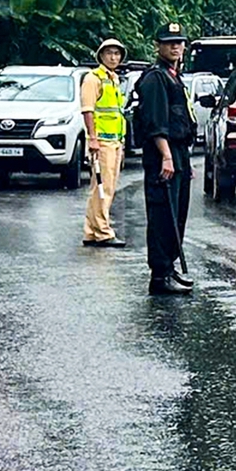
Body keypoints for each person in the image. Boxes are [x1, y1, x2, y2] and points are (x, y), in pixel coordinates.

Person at [138, 21, 197, 295]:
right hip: (164, 154)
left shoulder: (175, 76)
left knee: (178, 213)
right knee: (163, 214)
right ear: (158, 46)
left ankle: (169, 267)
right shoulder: (155, 78)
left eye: (179, 42)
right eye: (169, 42)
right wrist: (166, 157)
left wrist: (183, 160)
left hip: (179, 154)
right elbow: (155, 122)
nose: (175, 47)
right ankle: (159, 275)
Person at [80, 37, 130, 248]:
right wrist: (92, 138)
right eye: (109, 53)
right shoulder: (94, 78)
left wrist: (122, 142)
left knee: (102, 186)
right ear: (101, 56)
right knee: (104, 187)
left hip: (114, 140)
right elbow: (88, 110)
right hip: (101, 141)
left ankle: (92, 231)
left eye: (117, 53)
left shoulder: (113, 79)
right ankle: (102, 231)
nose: (113, 57)